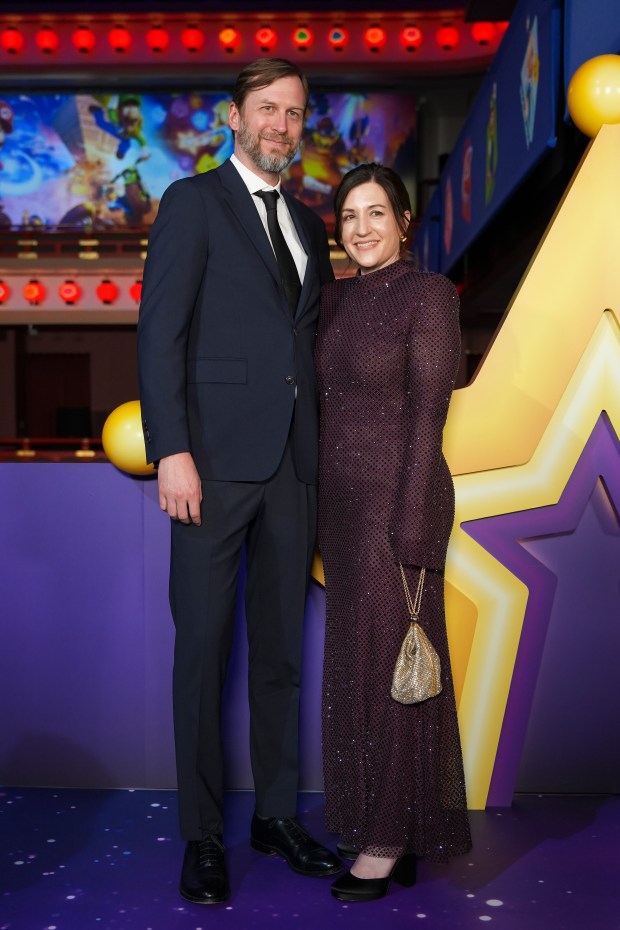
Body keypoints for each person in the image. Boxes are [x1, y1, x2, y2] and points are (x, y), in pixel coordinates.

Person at [137, 58, 339, 906]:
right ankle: (202, 835)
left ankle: (278, 816)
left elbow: (308, 351)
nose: (281, 127)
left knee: (282, 658)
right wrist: (170, 449)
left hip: (294, 467)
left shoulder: (308, 221)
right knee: (203, 655)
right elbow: (160, 334)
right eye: (267, 109)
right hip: (211, 467)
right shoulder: (193, 202)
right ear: (234, 117)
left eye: (294, 113)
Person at [315, 163, 472, 903]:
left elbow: (428, 413)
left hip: (399, 504)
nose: (362, 230)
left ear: (404, 222)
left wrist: (413, 519)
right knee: (355, 672)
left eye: (376, 214)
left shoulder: (428, 295)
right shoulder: (336, 301)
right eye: (349, 217)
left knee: (398, 675)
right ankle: (379, 824)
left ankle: (387, 841)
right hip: (342, 517)